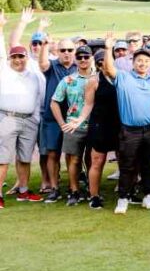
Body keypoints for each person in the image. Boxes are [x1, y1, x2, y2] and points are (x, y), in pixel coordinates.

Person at [101, 33, 150, 215]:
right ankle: (123, 198)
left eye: (146, 61)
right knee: (127, 166)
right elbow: (109, 69)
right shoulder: (123, 77)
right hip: (129, 131)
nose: (142, 64)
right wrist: (107, 48)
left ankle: (148, 196)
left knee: (147, 165)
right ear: (133, 63)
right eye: (139, 61)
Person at [0, 11, 45, 205]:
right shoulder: (4, 70)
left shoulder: (33, 72)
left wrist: (34, 119)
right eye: (15, 57)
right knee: (3, 159)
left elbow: (37, 98)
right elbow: (3, 47)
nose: (18, 59)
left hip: (29, 120)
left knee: (25, 157)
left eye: (21, 56)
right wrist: (2, 27)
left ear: (26, 57)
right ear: (10, 58)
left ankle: (24, 191)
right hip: (8, 118)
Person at [35, 18, 78, 200]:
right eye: (63, 50)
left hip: (74, 118)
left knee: (72, 155)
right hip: (52, 118)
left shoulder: (80, 66)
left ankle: (73, 188)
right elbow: (42, 63)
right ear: (57, 52)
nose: (67, 53)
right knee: (52, 153)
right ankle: (54, 188)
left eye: (70, 50)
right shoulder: (52, 66)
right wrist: (44, 43)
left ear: (74, 51)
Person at [49, 45, 95, 205]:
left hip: (94, 126)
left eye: (86, 57)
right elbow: (54, 102)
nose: (83, 60)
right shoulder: (68, 80)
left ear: (91, 58)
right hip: (73, 126)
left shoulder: (98, 78)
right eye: (80, 57)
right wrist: (62, 123)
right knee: (73, 160)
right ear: (76, 59)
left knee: (92, 160)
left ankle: (92, 189)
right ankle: (74, 190)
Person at [80, 50, 120, 209]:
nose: (105, 63)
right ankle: (94, 196)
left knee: (124, 161)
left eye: (108, 60)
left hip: (119, 124)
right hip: (100, 125)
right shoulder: (93, 81)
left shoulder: (121, 78)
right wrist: (80, 119)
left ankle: (126, 193)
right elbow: (88, 104)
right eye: (101, 61)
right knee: (97, 161)